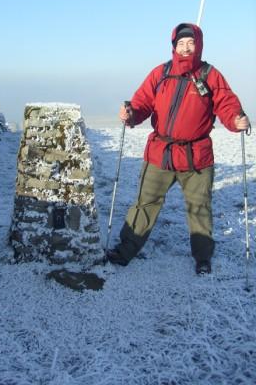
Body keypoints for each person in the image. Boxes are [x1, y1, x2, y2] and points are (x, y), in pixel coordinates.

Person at [107, 22, 250, 274]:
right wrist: (130, 114)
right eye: (181, 43)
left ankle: (203, 258)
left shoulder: (210, 75)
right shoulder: (160, 73)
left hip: (197, 157)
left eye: (190, 43)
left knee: (199, 208)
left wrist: (236, 119)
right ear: (174, 46)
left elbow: (227, 104)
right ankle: (125, 250)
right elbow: (141, 103)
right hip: (159, 153)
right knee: (145, 203)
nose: (185, 48)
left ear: (199, 46)